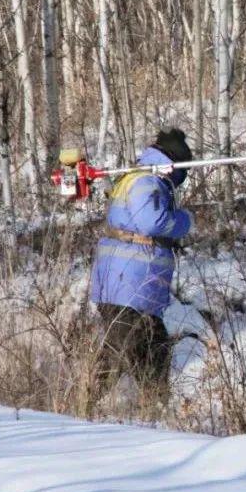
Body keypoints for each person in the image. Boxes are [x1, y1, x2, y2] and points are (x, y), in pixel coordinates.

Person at [87, 128, 194, 413]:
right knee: (117, 350)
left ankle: (157, 409)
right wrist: (184, 221)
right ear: (175, 161)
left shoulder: (137, 175)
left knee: (153, 348)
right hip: (129, 284)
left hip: (132, 284)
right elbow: (151, 223)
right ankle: (83, 408)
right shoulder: (148, 180)